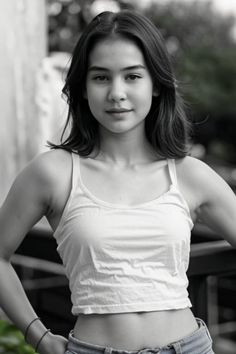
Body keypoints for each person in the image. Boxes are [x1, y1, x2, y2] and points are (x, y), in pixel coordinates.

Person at [0, 10, 236, 354]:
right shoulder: (52, 173)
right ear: (82, 88)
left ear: (155, 84)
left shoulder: (190, 174)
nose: (117, 93)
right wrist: (38, 335)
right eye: (101, 78)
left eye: (132, 76)